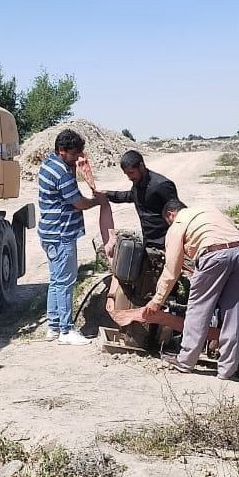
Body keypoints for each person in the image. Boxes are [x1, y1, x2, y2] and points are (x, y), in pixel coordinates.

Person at [145, 198, 239, 378]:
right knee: (234, 312)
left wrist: (157, 301)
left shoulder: (177, 223)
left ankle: (185, 361)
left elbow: (171, 271)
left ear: (170, 214)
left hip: (213, 255)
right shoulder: (208, 208)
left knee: (198, 308)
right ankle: (227, 370)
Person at [38, 129, 105, 345]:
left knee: (56, 280)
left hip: (50, 233)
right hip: (61, 234)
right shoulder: (61, 173)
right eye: (74, 154)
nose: (78, 158)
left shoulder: (51, 163)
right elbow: (78, 202)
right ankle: (66, 330)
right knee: (66, 282)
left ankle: (54, 326)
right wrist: (98, 201)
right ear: (62, 150)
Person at [102, 151, 179, 253]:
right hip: (148, 242)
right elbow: (131, 196)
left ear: (141, 166)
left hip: (165, 243)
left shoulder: (162, 185)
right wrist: (107, 194)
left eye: (131, 173)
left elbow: (177, 214)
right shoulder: (138, 181)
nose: (129, 178)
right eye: (127, 174)